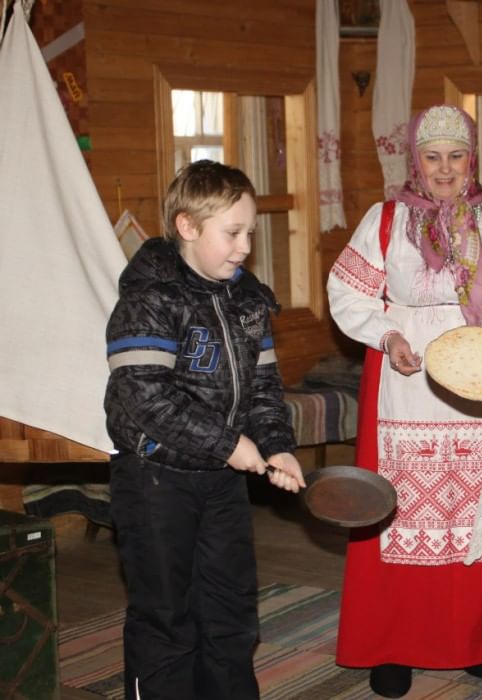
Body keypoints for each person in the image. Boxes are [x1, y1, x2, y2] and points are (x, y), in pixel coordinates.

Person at [326, 105, 482, 698]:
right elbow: (348, 291)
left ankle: (479, 638)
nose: (445, 170)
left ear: (473, 160)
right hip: (408, 382)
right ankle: (394, 646)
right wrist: (389, 337)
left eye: (456, 156)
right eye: (433, 157)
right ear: (416, 161)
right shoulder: (385, 220)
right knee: (403, 513)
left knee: (479, 511)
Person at [104, 160, 306, 700]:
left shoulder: (247, 300)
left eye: (250, 234)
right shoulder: (149, 297)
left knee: (230, 611)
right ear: (187, 226)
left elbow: (264, 389)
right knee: (167, 614)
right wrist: (227, 443)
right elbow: (144, 395)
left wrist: (277, 446)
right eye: (232, 233)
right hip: (154, 479)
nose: (244, 247)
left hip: (220, 481)